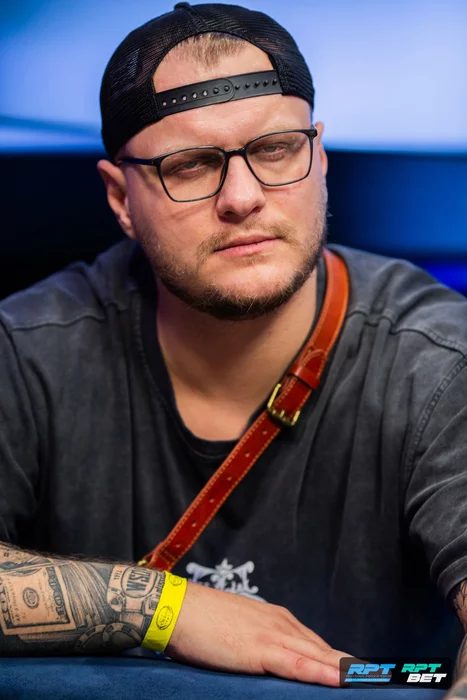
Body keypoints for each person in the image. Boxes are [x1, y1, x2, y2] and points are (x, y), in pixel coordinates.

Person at [1, 2, 467, 694]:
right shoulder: (28, 352)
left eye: (275, 149)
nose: (242, 197)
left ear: (319, 158)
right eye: (190, 165)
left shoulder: (439, 361)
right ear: (120, 198)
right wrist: (167, 609)